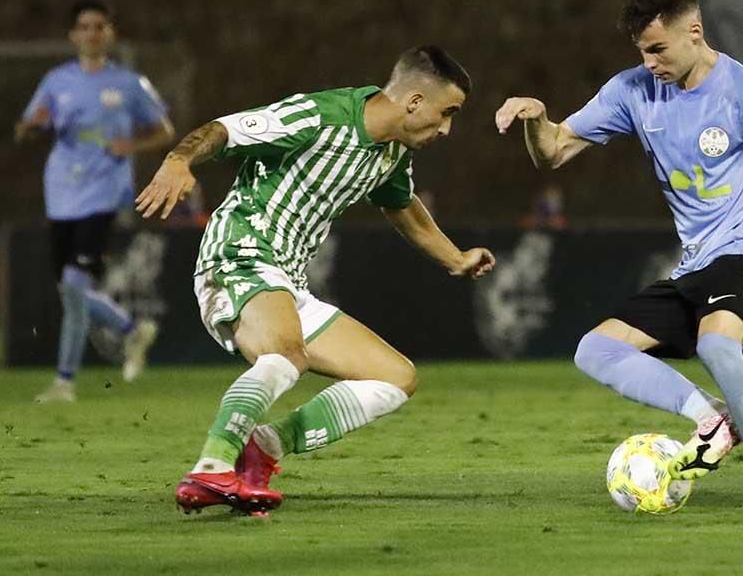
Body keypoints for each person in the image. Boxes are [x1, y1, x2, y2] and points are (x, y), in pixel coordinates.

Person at [495, 0, 743, 522]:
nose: (650, 63)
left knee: (717, 348)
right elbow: (555, 150)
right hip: (694, 265)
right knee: (595, 349)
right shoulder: (633, 91)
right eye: (642, 51)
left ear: (694, 31)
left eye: (658, 49)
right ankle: (714, 417)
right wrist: (537, 119)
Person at [136, 45, 495, 516]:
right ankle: (212, 465)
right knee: (285, 353)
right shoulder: (319, 117)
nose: (447, 129)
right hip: (239, 253)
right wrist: (179, 160)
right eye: (447, 113)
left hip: (286, 279)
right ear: (413, 102)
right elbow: (226, 129)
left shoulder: (390, 152)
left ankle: (263, 447)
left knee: (394, 377)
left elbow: (402, 205)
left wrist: (455, 259)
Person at [15, 0, 174, 402]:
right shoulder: (56, 81)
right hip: (61, 192)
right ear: (73, 35)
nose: (92, 33)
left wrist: (133, 145)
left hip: (104, 192)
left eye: (99, 26)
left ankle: (64, 381)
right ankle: (131, 329)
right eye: (84, 27)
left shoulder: (128, 83)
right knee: (71, 289)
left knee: (73, 284)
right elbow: (27, 128)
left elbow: (164, 129)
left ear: (110, 33)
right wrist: (30, 127)